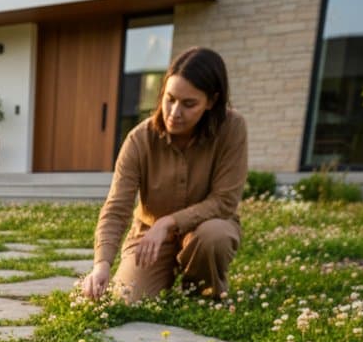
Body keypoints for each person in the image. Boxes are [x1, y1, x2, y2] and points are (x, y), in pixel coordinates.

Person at [79, 46, 247, 304]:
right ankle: (162, 275)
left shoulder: (232, 128)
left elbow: (224, 201)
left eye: (189, 104)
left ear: (211, 101)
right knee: (128, 299)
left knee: (214, 236)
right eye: (170, 99)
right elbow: (117, 207)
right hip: (150, 237)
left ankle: (199, 293)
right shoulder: (140, 138)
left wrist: (168, 222)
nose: (174, 112)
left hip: (206, 229)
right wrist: (101, 264)